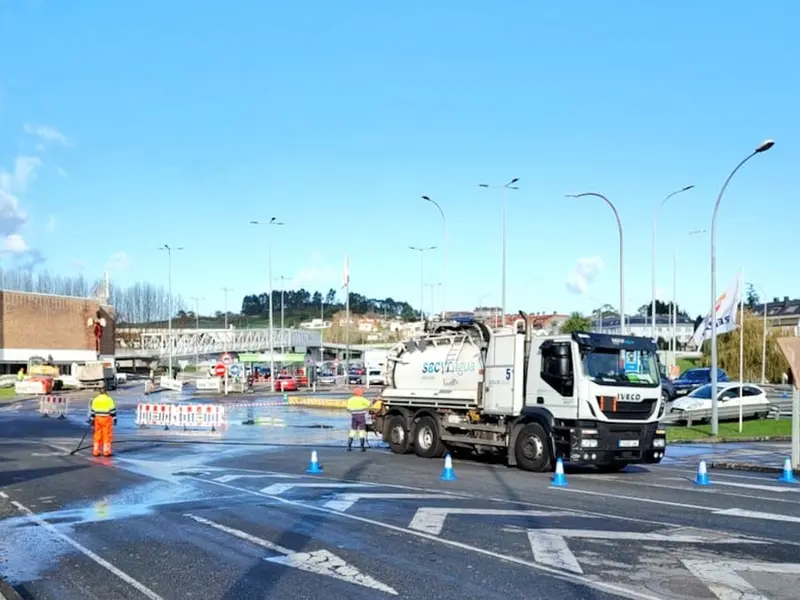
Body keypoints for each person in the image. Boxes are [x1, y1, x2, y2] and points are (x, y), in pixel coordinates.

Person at [88, 385, 117, 457]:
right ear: (106, 391)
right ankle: (106, 451)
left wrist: (91, 419)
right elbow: (112, 410)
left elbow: (93, 411)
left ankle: (96, 451)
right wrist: (114, 418)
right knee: (106, 435)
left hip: (97, 419)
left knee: (97, 434)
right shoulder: (109, 399)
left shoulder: (95, 399)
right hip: (106, 419)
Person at [346, 387, 372, 452]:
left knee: (353, 430)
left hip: (354, 417)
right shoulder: (362, 399)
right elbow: (369, 404)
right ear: (361, 393)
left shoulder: (350, 399)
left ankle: (349, 446)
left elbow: (348, 409)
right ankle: (362, 447)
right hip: (361, 417)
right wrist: (374, 400)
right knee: (362, 431)